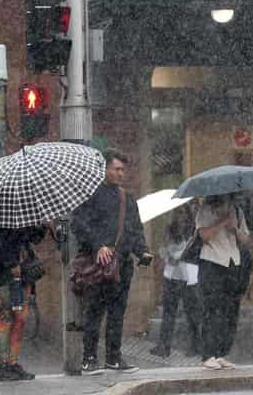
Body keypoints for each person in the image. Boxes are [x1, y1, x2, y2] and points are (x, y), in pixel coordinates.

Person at [71, 148, 153, 376]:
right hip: (98, 266)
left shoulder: (127, 198)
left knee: (118, 313)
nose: (120, 173)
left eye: (122, 170)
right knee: (94, 312)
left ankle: (113, 358)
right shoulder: (89, 195)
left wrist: (143, 252)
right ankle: (89, 359)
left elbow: (135, 229)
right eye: (116, 169)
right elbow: (79, 225)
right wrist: (98, 245)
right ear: (105, 169)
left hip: (123, 264)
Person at [196, 194, 250, 370]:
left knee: (230, 311)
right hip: (212, 262)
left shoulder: (238, 211)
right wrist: (221, 221)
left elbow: (245, 240)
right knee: (212, 310)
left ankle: (221, 353)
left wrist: (234, 228)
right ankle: (207, 354)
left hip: (233, 262)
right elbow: (203, 235)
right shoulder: (206, 209)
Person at [149, 204, 202, 358]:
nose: (180, 217)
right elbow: (162, 248)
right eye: (177, 213)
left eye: (182, 213)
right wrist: (167, 256)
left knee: (191, 312)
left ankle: (196, 345)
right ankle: (164, 346)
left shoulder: (194, 231)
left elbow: (194, 251)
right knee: (168, 312)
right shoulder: (169, 229)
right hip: (171, 274)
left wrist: (181, 255)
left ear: (187, 214)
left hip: (188, 276)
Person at [0, 225, 46, 381]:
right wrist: (10, 262)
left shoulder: (19, 210)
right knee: (4, 320)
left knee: (19, 319)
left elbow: (34, 237)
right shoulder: (0, 210)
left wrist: (42, 223)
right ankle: (3, 365)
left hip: (21, 274)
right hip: (1, 274)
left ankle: (12, 362)